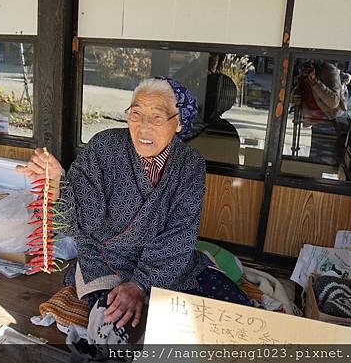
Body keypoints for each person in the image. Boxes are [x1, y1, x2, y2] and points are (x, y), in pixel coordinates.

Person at [18, 76, 249, 344]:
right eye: (136, 114)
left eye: (157, 118)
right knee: (111, 337)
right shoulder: (104, 147)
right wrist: (58, 190)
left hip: (167, 262)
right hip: (106, 259)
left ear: (179, 123)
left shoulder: (190, 164)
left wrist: (140, 284)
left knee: (236, 314)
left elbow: (180, 233)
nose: (143, 127)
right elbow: (83, 224)